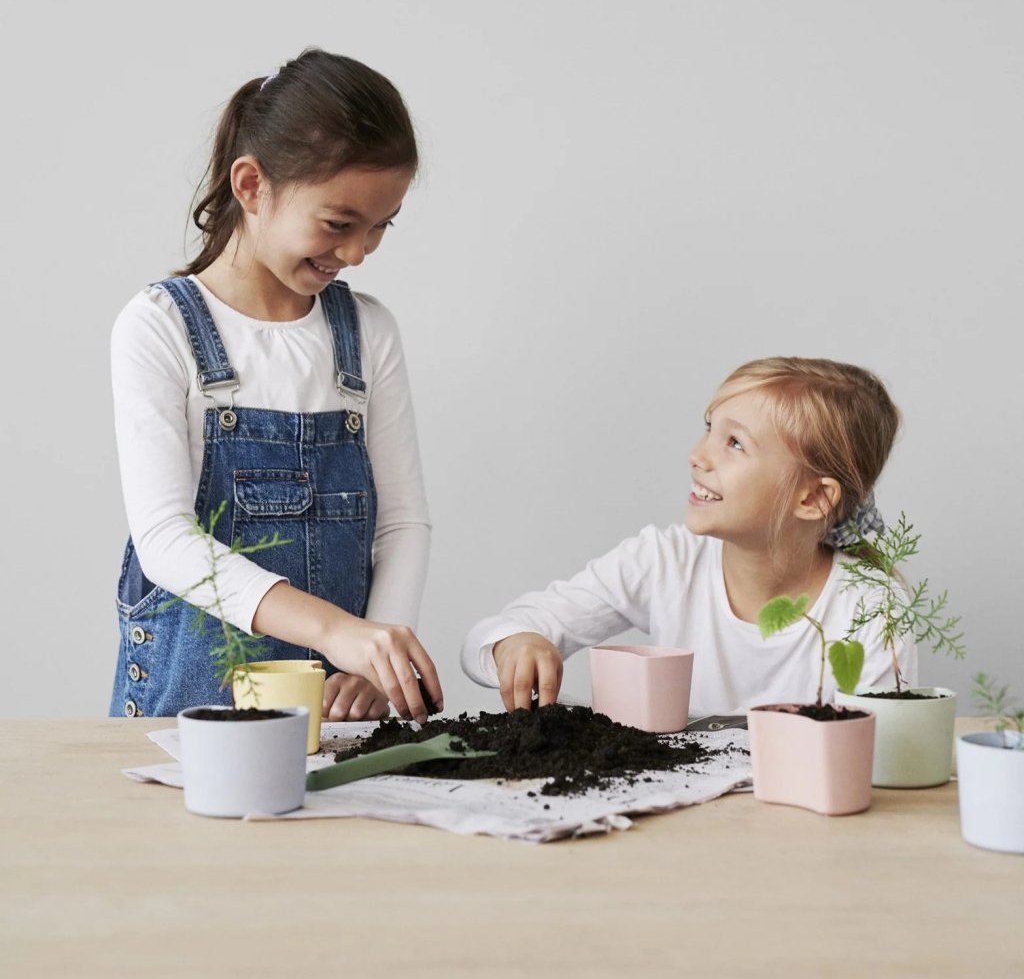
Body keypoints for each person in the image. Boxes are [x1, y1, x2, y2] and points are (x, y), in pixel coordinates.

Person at [110, 49, 442, 724]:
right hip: (189, 719)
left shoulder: (368, 333)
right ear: (252, 185)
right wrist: (336, 631)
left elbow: (403, 522)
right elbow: (165, 541)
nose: (357, 253)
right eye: (339, 224)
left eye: (380, 226)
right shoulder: (159, 326)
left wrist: (373, 657)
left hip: (335, 717)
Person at [461, 357, 918, 716]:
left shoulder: (872, 606)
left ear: (814, 498)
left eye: (735, 443)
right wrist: (516, 642)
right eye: (709, 429)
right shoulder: (665, 561)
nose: (697, 456)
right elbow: (486, 638)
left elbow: (878, 753)